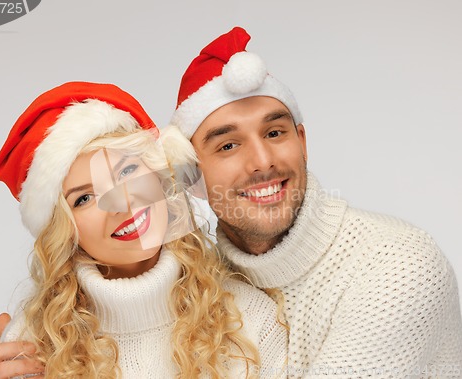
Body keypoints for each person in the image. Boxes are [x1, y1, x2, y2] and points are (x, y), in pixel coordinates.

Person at [169, 27, 462, 377]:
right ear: (191, 177)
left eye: (274, 133)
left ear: (302, 142)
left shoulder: (398, 264)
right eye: (228, 145)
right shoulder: (202, 288)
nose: (262, 161)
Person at [0, 81, 287, 378]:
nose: (121, 204)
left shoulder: (251, 321)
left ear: (159, 176)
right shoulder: (31, 346)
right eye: (84, 198)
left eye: (126, 171)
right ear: (65, 230)